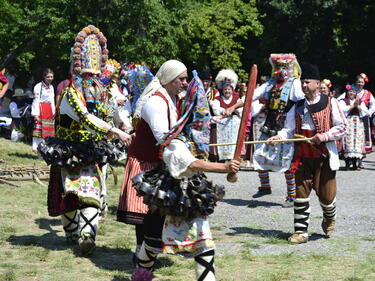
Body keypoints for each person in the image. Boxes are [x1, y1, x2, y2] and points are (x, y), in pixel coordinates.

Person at [131, 70, 240, 281]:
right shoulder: (175, 138)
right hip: (168, 194)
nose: (203, 123)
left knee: (204, 241)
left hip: (192, 194)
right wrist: (224, 168)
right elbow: (190, 163)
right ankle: (140, 277)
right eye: (200, 119)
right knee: (153, 242)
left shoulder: (187, 137)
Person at [38, 25, 132, 255]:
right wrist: (116, 132)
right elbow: (87, 118)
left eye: (95, 77)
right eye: (88, 76)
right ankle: (72, 233)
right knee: (69, 196)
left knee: (91, 193)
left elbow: (112, 111)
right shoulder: (71, 94)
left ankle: (87, 235)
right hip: (68, 151)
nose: (93, 81)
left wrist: (127, 127)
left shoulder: (102, 91)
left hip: (90, 150)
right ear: (78, 73)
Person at [117, 59, 188, 263]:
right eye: (181, 79)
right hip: (145, 161)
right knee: (144, 211)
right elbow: (163, 136)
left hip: (158, 161)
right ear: (168, 80)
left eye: (185, 79)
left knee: (156, 210)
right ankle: (142, 253)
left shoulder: (171, 99)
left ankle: (148, 251)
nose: (185, 83)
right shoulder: (156, 101)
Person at [268, 62, 347, 244]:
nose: (304, 85)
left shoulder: (330, 103)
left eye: (307, 82)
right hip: (302, 158)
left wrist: (325, 136)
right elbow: (288, 130)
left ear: (318, 84)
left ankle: (329, 217)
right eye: (302, 82)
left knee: (327, 198)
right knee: (300, 195)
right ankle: (301, 232)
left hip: (323, 157)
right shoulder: (296, 106)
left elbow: (343, 126)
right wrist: (278, 137)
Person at [251, 54, 304, 207]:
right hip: (270, 123)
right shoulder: (270, 84)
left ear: (290, 68)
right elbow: (253, 95)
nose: (281, 70)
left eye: (284, 67)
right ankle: (265, 186)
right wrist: (238, 104)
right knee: (259, 153)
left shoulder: (294, 84)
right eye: (278, 67)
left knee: (286, 160)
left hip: (286, 123)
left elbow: (301, 101)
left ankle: (292, 195)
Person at [210, 69, 243, 161]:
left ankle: (233, 157)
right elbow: (216, 110)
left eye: (229, 89)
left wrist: (231, 110)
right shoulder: (218, 98)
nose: (227, 91)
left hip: (233, 127)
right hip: (222, 126)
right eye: (225, 89)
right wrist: (226, 111)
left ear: (232, 90)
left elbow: (240, 110)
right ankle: (219, 158)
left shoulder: (236, 97)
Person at [339, 85, 367, 170]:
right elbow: (342, 110)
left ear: (355, 93)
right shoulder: (343, 101)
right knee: (348, 142)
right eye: (350, 91)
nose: (351, 93)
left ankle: (355, 164)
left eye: (353, 91)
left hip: (358, 123)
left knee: (357, 142)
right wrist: (352, 106)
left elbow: (365, 112)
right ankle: (347, 164)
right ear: (347, 92)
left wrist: (357, 106)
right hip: (348, 122)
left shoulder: (360, 101)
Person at [31, 68, 55, 152]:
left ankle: (45, 149)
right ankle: (35, 147)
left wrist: (54, 113)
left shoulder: (51, 87)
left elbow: (52, 101)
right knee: (39, 130)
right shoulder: (38, 86)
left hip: (48, 110)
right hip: (40, 109)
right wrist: (35, 114)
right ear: (44, 77)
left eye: (51, 76)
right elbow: (36, 100)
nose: (50, 78)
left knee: (48, 131)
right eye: (48, 77)